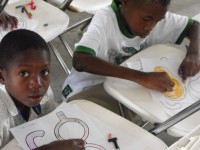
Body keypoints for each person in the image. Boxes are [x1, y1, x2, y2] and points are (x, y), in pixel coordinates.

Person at [62, 0, 200, 120]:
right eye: (146, 19)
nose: (150, 27)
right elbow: (81, 60)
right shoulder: (105, 19)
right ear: (126, 1)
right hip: (89, 88)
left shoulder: (154, 13)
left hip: (127, 87)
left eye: (157, 21)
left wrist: (194, 52)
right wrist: (141, 77)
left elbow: (195, 26)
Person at [0, 29, 85, 149]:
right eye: (24, 73)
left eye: (44, 72)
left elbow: (52, 122)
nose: (37, 83)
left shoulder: (42, 93)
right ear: (2, 77)